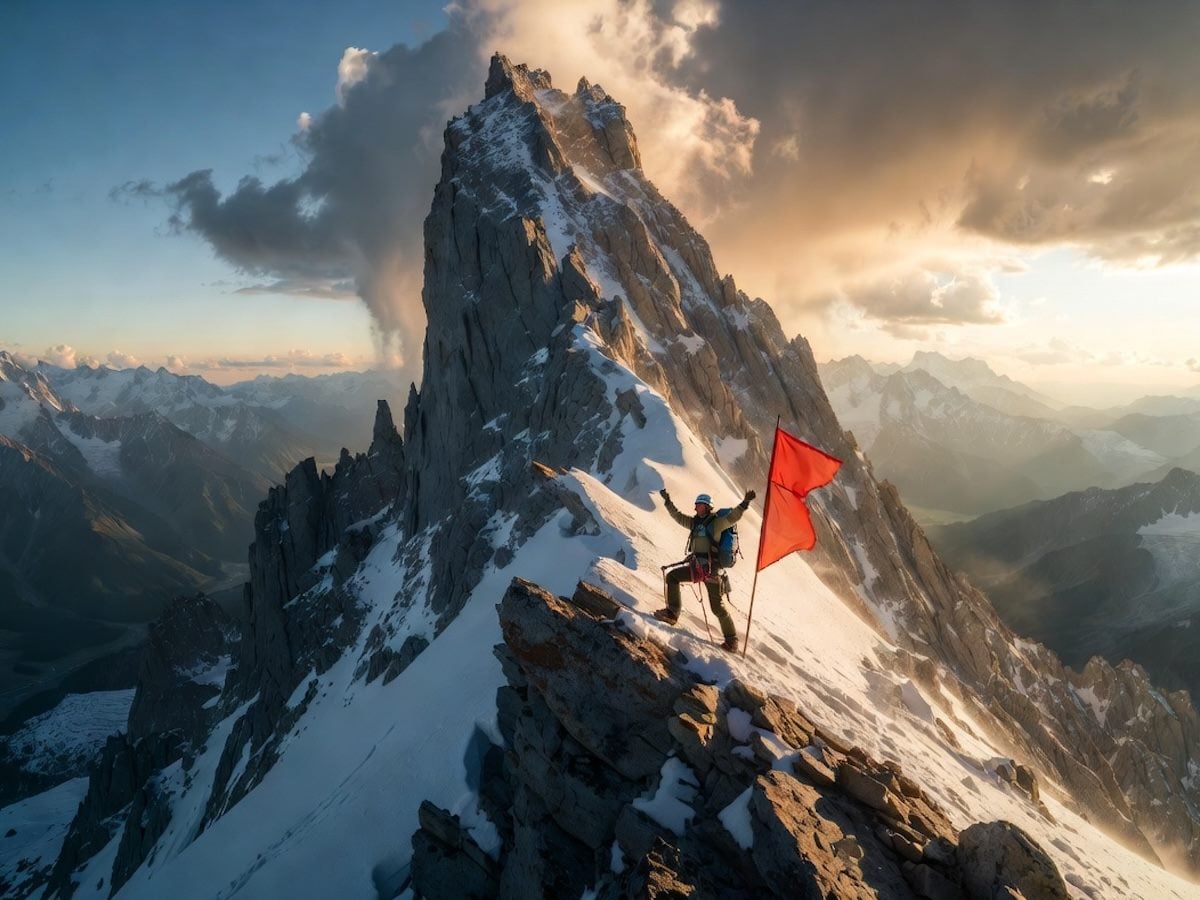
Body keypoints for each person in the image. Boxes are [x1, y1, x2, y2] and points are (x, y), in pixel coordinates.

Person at [654, 488, 755, 651]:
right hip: (701, 567)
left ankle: (731, 640)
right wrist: (668, 502)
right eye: (697, 505)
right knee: (673, 577)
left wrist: (745, 503)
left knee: (717, 607)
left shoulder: (716, 523)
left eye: (699, 505)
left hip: (710, 569)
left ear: (707, 507)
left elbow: (732, 518)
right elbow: (678, 517)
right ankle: (672, 614)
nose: (696, 507)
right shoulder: (694, 523)